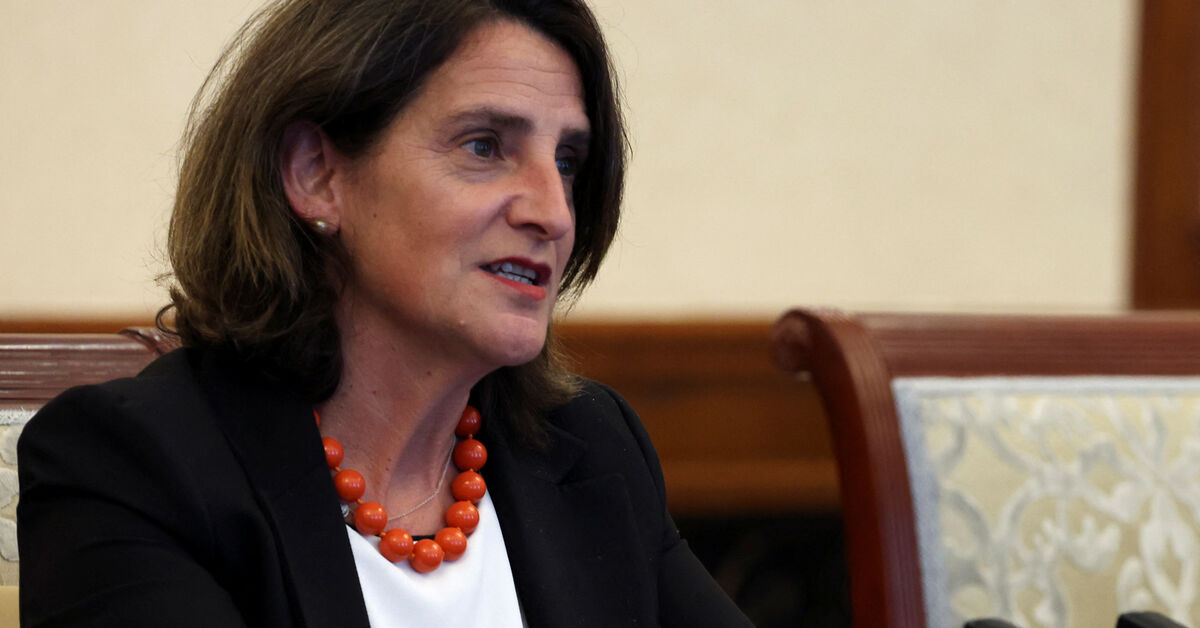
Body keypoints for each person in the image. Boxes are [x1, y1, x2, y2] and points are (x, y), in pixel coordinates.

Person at [16, 0, 754, 626]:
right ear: (316, 174)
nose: (553, 212)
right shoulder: (136, 469)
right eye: (484, 146)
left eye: (566, 161)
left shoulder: (589, 448)